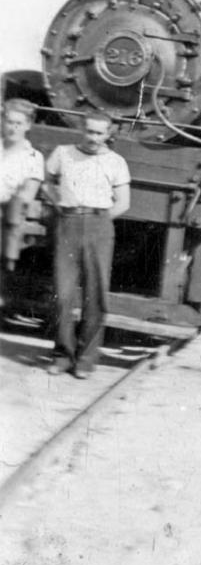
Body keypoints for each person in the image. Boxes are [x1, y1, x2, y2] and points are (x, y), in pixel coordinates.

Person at [46, 112, 130, 379]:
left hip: (99, 225)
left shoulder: (116, 162)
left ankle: (85, 359)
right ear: (81, 129)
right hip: (68, 223)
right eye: (90, 131)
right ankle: (62, 356)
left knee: (95, 295)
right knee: (63, 293)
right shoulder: (63, 153)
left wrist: (99, 220)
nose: (93, 138)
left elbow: (123, 202)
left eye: (99, 133)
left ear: (108, 134)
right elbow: (46, 182)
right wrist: (58, 204)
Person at [1, 99, 45, 271]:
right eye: (9, 122)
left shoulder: (33, 157)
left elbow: (27, 196)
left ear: (28, 125)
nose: (13, 128)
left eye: (18, 123)